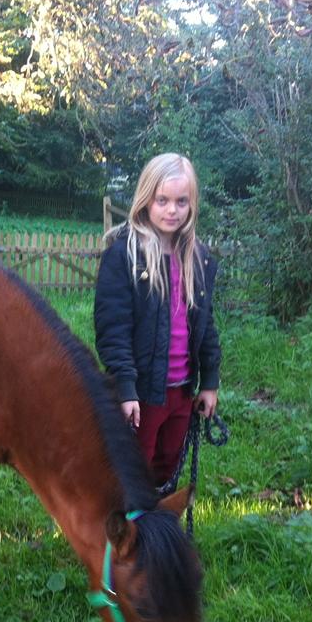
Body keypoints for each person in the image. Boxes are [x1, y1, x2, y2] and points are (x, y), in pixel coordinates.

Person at [94, 153, 222, 491]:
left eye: (181, 201)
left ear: (191, 204)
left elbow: (206, 326)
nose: (172, 210)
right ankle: (126, 535)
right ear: (146, 199)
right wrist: (125, 387)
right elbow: (113, 331)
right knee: (134, 470)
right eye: (162, 200)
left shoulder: (199, 259)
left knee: (166, 467)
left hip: (181, 393)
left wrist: (209, 381)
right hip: (143, 395)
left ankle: (157, 533)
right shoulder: (124, 257)